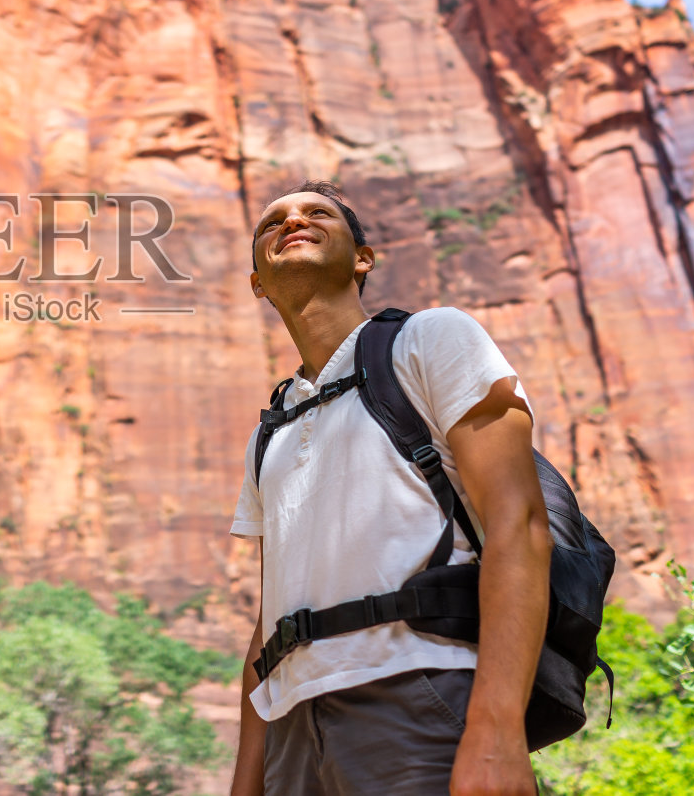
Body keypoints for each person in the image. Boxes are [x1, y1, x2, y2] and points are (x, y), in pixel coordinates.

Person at [228, 181, 553, 796]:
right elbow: (268, 622)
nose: (292, 220)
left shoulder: (432, 339)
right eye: (273, 221)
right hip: (291, 734)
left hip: (418, 688)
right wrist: (247, 783)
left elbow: (521, 524)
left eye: (316, 213)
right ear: (257, 283)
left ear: (363, 258)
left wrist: (498, 729)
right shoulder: (268, 431)